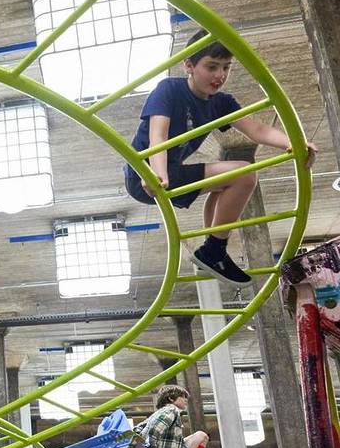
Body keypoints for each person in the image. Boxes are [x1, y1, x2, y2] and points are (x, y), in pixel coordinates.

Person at [124, 29, 317, 287]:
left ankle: (212, 248)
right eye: (212, 67)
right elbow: (157, 136)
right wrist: (156, 176)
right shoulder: (169, 89)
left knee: (229, 181)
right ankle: (214, 250)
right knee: (244, 173)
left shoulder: (221, 103)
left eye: (226, 67)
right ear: (189, 65)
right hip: (145, 174)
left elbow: (257, 130)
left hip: (171, 171)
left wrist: (295, 143)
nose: (220, 75)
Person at [136, 385, 207, 448]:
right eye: (182, 397)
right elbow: (155, 430)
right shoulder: (171, 410)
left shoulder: (159, 413)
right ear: (171, 398)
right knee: (202, 436)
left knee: (201, 436)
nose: (186, 400)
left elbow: (139, 428)